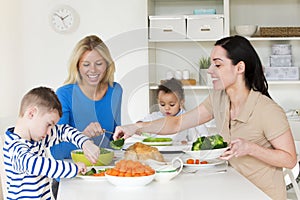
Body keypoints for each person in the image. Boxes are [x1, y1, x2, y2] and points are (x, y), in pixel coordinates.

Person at [113, 35, 297, 200]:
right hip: (233, 187)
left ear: (239, 68)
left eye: (217, 65)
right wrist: (135, 127)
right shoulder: (219, 98)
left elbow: (289, 159)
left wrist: (250, 148)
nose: (209, 70)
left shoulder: (267, 110)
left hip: (262, 194)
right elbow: (177, 122)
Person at [3, 86, 100, 200]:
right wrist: (72, 168)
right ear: (31, 114)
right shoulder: (15, 147)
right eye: (49, 124)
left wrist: (85, 143)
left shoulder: (37, 138)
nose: (50, 132)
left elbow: (64, 131)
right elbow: (35, 164)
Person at [50, 35, 123, 160]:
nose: (93, 70)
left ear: (107, 65)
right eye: (86, 64)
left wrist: (129, 132)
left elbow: (114, 142)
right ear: (77, 66)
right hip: (72, 172)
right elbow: (57, 152)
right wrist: (84, 136)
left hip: (104, 169)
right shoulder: (64, 94)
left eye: (99, 63)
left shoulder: (115, 90)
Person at [137, 78, 208, 143]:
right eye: (162, 104)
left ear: (181, 102)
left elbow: (202, 131)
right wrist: (138, 126)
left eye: (171, 105)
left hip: (180, 150)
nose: (167, 108)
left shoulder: (187, 117)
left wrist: (192, 142)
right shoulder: (155, 116)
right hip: (160, 150)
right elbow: (142, 123)